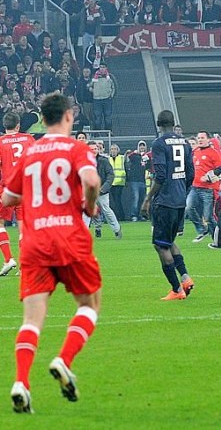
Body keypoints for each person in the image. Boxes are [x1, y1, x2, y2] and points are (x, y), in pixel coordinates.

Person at [2, 92, 101, 414]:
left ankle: (21, 383)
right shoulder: (77, 148)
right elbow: (91, 179)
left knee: (32, 319)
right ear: (69, 116)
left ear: (41, 120)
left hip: (33, 244)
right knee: (89, 304)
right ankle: (63, 359)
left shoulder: (30, 152)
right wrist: (88, 204)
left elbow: (7, 199)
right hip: (70, 238)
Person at [140, 110, 195, 301]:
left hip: (165, 201)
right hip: (180, 200)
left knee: (160, 245)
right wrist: (183, 191)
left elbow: (161, 176)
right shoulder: (185, 143)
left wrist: (148, 198)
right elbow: (191, 173)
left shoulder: (159, 143)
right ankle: (186, 278)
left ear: (158, 124)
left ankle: (176, 289)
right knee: (169, 241)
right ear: (174, 123)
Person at [0, 112, 35, 276]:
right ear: (18, 125)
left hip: (7, 188)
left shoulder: (0, 142)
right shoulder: (28, 139)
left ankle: (8, 259)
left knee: (0, 224)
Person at [188, 131, 221, 242]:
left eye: (202, 138)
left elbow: (220, 169)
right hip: (195, 186)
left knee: (208, 217)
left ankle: (217, 238)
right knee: (189, 208)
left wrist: (209, 176)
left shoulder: (213, 153)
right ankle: (201, 230)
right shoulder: (195, 152)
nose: (200, 140)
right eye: (198, 138)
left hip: (208, 188)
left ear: (208, 139)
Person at [89, 142, 122, 239]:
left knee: (106, 210)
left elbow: (110, 175)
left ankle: (117, 230)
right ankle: (97, 229)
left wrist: (103, 188)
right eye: (91, 149)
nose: (94, 151)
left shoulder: (104, 161)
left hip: (102, 191)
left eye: (95, 149)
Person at [125, 140, 149, 221]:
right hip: (134, 181)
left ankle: (141, 215)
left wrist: (145, 157)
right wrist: (137, 153)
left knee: (142, 199)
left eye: (143, 146)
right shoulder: (134, 156)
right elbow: (130, 157)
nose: (142, 148)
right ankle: (133, 215)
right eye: (140, 146)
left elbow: (149, 166)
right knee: (135, 198)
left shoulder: (146, 157)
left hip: (143, 180)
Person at [107, 144, 126, 221]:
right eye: (112, 149)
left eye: (115, 149)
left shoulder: (122, 158)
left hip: (119, 182)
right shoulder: (108, 159)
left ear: (118, 150)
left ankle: (120, 216)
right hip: (110, 183)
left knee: (117, 200)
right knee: (112, 201)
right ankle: (115, 217)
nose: (113, 150)